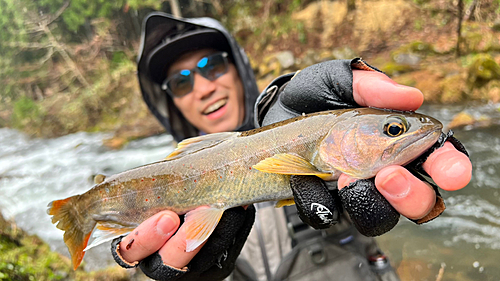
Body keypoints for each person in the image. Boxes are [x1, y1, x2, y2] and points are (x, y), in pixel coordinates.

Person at [109, 12, 472, 281]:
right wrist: (137, 265)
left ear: (239, 69)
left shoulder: (307, 119)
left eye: (213, 65)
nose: (203, 86)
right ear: (169, 103)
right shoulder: (158, 178)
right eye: (181, 82)